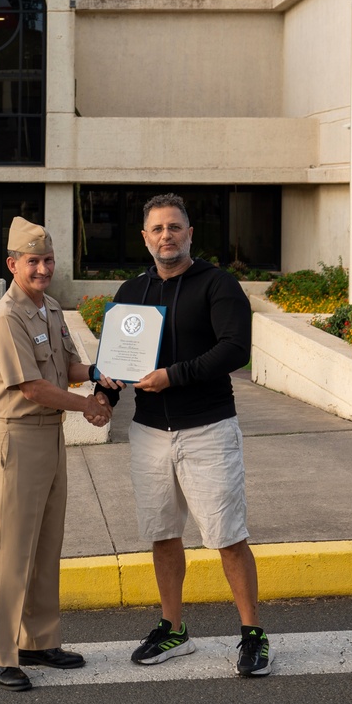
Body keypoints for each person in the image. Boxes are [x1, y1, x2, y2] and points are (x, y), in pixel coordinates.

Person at [94, 194, 271, 677]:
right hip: (149, 433)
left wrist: (173, 376)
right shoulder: (132, 291)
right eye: (157, 229)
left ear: (190, 234)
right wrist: (103, 399)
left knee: (227, 536)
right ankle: (174, 629)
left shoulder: (218, 284)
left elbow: (235, 349)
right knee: (163, 534)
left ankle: (253, 634)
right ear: (145, 238)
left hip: (207, 430)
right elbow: (116, 360)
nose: (166, 236)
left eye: (174, 227)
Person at [0, 216, 110, 691]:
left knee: (45, 544)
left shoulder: (50, 308)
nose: (43, 269)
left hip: (50, 437)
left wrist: (96, 372)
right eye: (33, 261)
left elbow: (66, 365)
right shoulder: (6, 316)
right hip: (17, 438)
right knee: (10, 550)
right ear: (12, 264)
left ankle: (37, 641)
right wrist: (88, 406)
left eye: (49, 260)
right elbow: (32, 387)